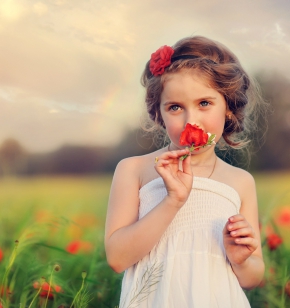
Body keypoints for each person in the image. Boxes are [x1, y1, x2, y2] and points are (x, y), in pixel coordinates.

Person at [105, 36, 266, 308]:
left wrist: (241, 259)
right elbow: (117, 258)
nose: (191, 120)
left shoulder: (240, 182)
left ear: (228, 108)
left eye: (204, 103)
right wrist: (173, 201)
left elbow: (253, 277)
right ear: (159, 114)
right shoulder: (134, 170)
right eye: (175, 107)